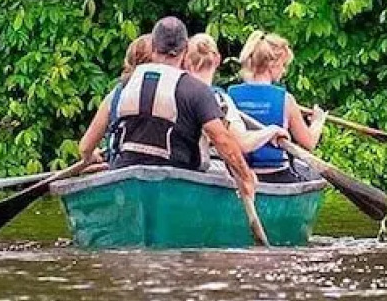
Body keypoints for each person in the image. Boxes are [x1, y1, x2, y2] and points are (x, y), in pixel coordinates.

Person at [78, 17, 256, 199]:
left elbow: (85, 147)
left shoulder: (121, 89)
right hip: (177, 187)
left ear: (154, 47)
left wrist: (92, 156)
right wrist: (245, 177)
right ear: (185, 50)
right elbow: (223, 141)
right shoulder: (198, 91)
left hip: (125, 184)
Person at [223, 31, 327, 184]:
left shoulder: (230, 94)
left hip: (239, 174)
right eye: (283, 65)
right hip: (275, 175)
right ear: (272, 65)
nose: (284, 71)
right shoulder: (286, 99)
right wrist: (318, 121)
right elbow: (309, 143)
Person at [76, 34, 153, 163]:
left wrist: (92, 156)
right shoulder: (173, 91)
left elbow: (85, 148)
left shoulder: (115, 96)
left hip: (122, 166)